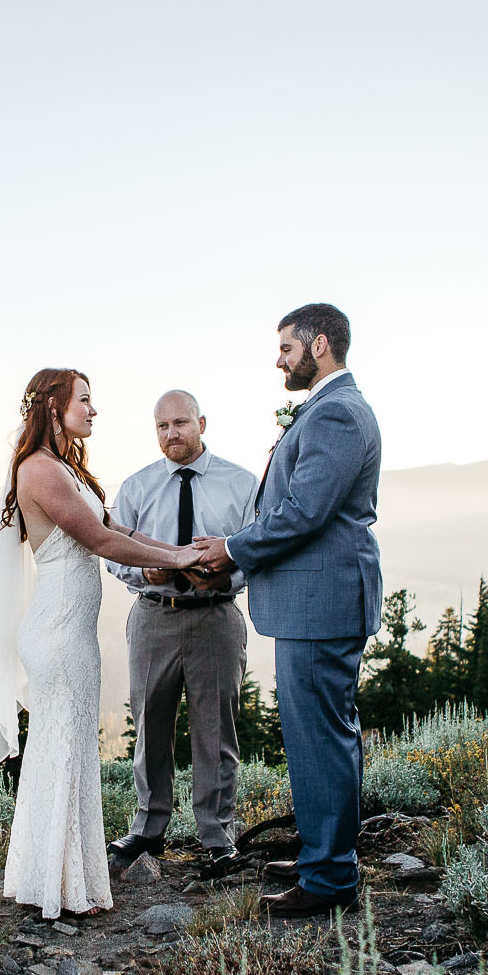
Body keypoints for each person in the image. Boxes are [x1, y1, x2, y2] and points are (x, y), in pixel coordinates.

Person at [0, 368, 207, 919]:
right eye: (85, 401)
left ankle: (56, 876)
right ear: (54, 407)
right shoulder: (39, 470)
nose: (93, 411)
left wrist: (177, 550)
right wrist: (178, 561)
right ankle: (54, 883)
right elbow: (99, 540)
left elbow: (121, 530)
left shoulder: (66, 468)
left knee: (70, 750)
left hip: (71, 631)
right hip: (55, 633)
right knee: (61, 749)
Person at [192, 303, 382, 918]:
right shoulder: (331, 409)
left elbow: (305, 512)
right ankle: (321, 855)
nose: (279, 359)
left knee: (321, 738)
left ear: (319, 344)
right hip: (315, 604)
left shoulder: (338, 415)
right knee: (317, 736)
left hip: (321, 605)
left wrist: (232, 549)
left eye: (286, 348)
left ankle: (329, 879)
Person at [103, 390, 258, 871]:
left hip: (216, 616)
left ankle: (217, 835)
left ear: (202, 424)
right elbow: (111, 552)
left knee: (216, 730)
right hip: (154, 615)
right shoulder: (136, 486)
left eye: (181, 424)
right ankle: (148, 830)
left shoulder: (242, 483)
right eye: (162, 426)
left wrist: (225, 574)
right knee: (150, 724)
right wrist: (143, 573)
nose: (171, 434)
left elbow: (259, 550)